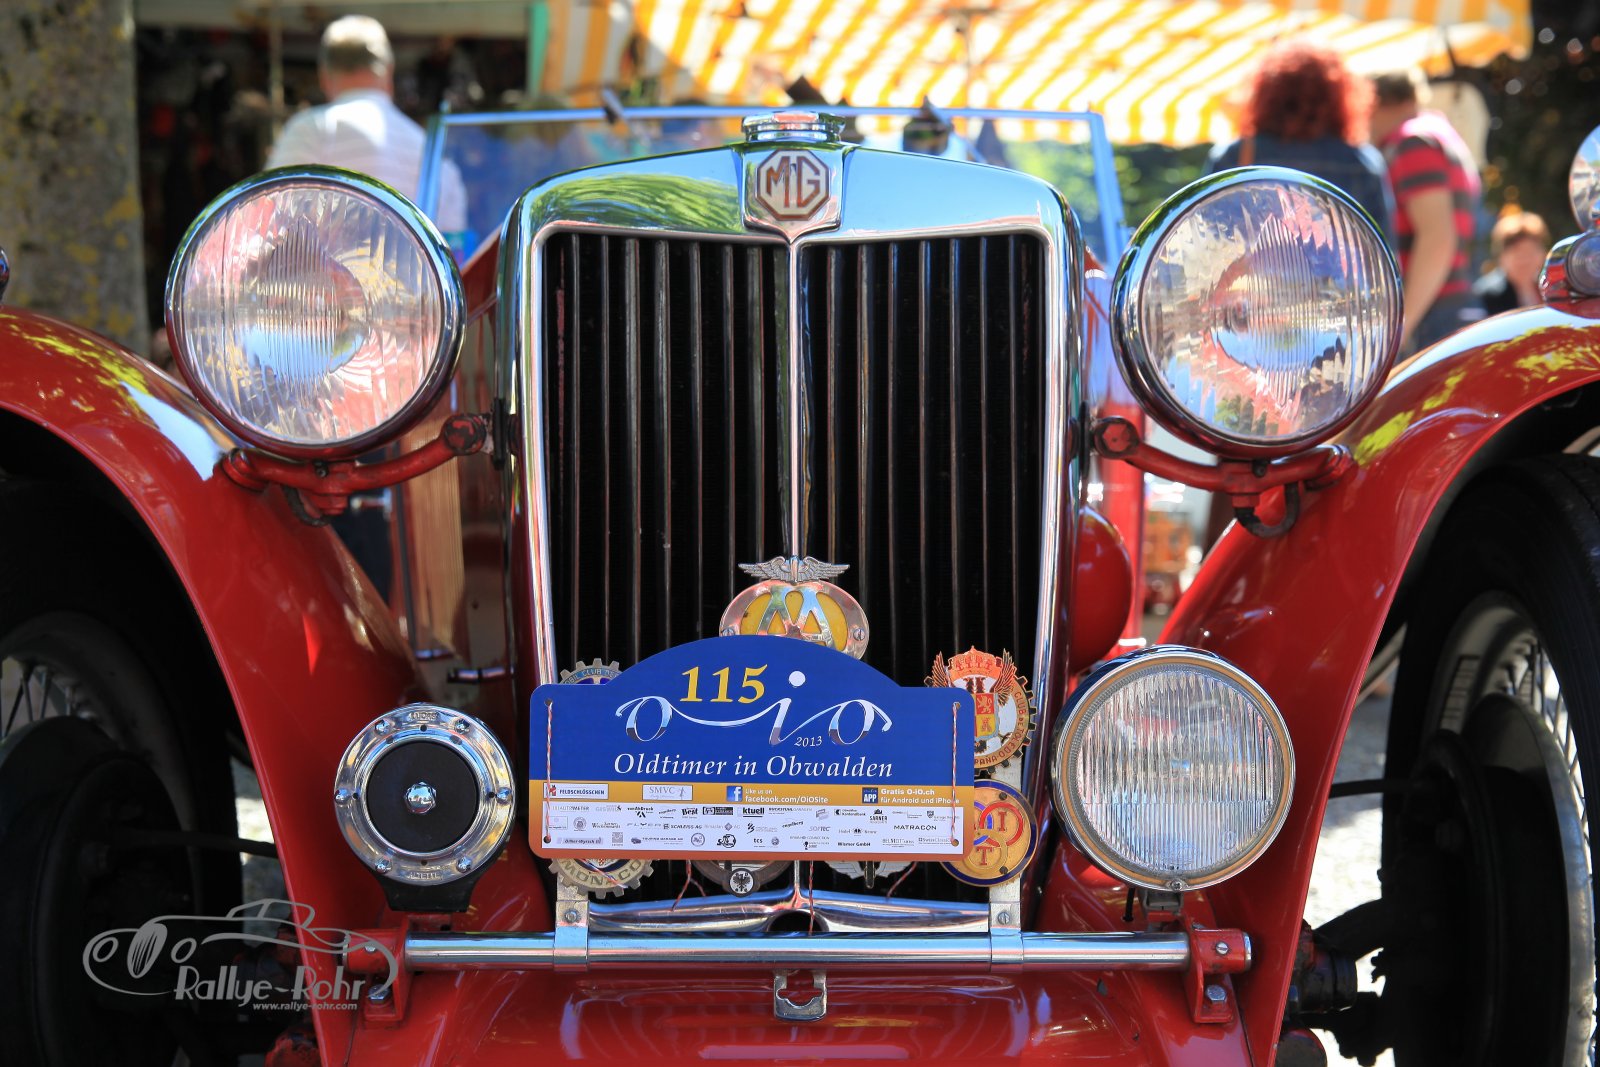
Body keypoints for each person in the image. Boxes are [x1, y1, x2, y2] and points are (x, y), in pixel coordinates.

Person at [265, 15, 466, 234]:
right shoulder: (427, 148)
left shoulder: (310, 129)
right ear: (388, 70)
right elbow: (452, 239)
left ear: (324, 75)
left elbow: (270, 217)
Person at [1207, 40, 1395, 249]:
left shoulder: (1234, 155)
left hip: (1252, 270)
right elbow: (1381, 249)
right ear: (1339, 98)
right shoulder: (1362, 162)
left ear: (1266, 95)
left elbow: (1208, 239)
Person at [1369, 69, 1485, 352]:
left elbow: (1437, 238)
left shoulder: (1412, 142)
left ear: (1374, 103)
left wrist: (1400, 327)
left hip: (1433, 315)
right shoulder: (1439, 133)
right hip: (1448, 306)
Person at [1473, 210, 1551, 316]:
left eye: (1530, 251)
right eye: (1517, 253)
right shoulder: (1486, 295)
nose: (1525, 260)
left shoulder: (1551, 289)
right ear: (1502, 256)